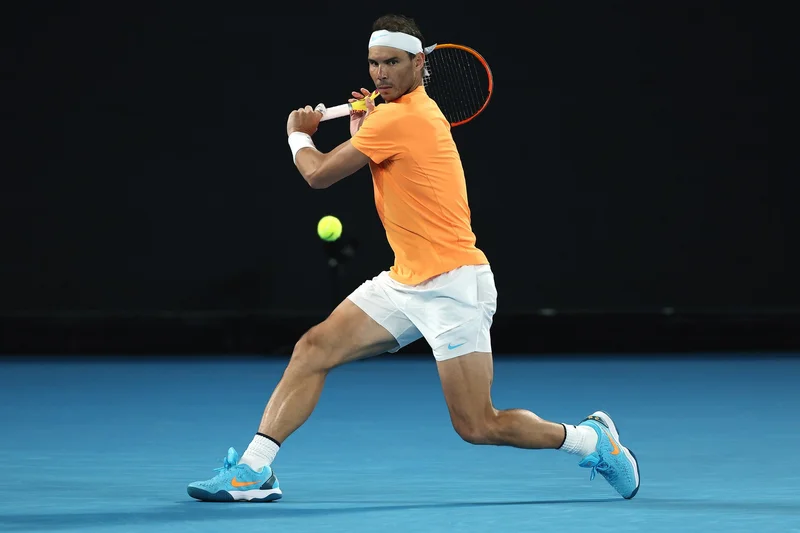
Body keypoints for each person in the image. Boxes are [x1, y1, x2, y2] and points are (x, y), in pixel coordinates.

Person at [187, 13, 640, 503]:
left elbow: (317, 174)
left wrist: (298, 132)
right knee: (313, 349)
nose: (380, 73)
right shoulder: (400, 115)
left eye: (392, 63)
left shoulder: (401, 117)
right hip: (404, 281)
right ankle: (254, 469)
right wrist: (363, 129)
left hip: (453, 285)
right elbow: (392, 162)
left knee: (478, 424)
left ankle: (591, 440)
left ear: (419, 62)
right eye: (373, 63)